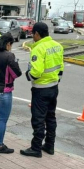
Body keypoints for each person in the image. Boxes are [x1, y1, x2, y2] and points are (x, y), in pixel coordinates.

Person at [20, 22, 64, 158]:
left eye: (33, 34)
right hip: (54, 87)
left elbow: (36, 72)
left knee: (38, 119)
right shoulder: (57, 46)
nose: (32, 36)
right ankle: (50, 145)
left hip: (41, 89)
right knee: (51, 117)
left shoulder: (38, 48)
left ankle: (36, 148)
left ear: (37, 34)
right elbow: (60, 67)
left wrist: (27, 75)